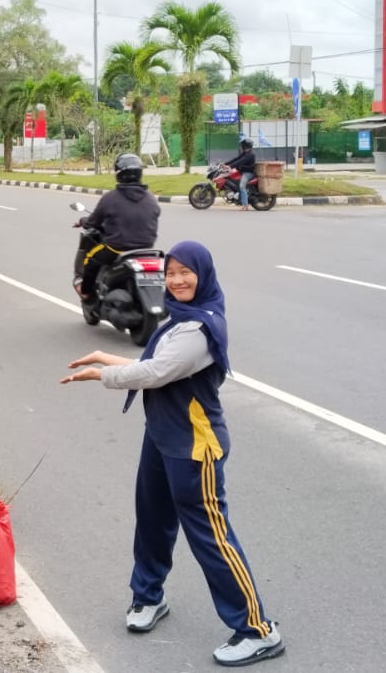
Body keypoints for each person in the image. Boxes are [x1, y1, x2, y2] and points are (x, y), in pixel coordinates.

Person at [61, 241, 284, 667]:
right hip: (163, 436)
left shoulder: (201, 327)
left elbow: (156, 371)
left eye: (187, 273)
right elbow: (159, 361)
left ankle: (258, 629)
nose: (177, 280)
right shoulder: (180, 320)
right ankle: (148, 597)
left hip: (194, 447)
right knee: (153, 520)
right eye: (172, 272)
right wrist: (107, 355)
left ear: (204, 275)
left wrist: (101, 373)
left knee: (211, 537)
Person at [74, 153, 161, 303]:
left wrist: (83, 221)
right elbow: (155, 215)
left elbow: (93, 221)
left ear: (118, 174)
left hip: (117, 248)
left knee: (90, 260)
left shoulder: (110, 198)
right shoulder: (151, 198)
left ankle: (86, 292)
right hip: (147, 248)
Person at [223, 139, 259, 209]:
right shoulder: (245, 153)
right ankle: (237, 196)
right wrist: (226, 163)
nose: (241, 147)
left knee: (242, 186)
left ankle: (245, 205)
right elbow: (236, 159)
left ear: (246, 146)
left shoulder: (250, 155)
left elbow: (240, 161)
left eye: (242, 145)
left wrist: (230, 166)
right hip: (242, 172)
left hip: (248, 173)